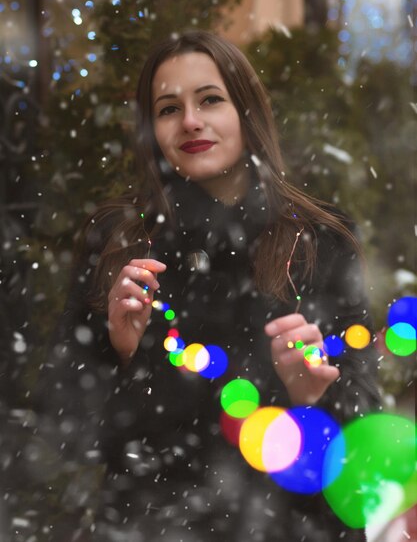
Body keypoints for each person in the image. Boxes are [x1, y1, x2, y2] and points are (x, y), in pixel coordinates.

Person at [37, 31, 380, 542]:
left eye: (211, 100)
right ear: (151, 130)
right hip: (149, 525)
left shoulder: (317, 240)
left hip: (290, 528)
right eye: (168, 108)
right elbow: (63, 431)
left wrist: (313, 396)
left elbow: (365, 422)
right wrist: (118, 352)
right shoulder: (119, 242)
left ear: (246, 111)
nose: (191, 121)